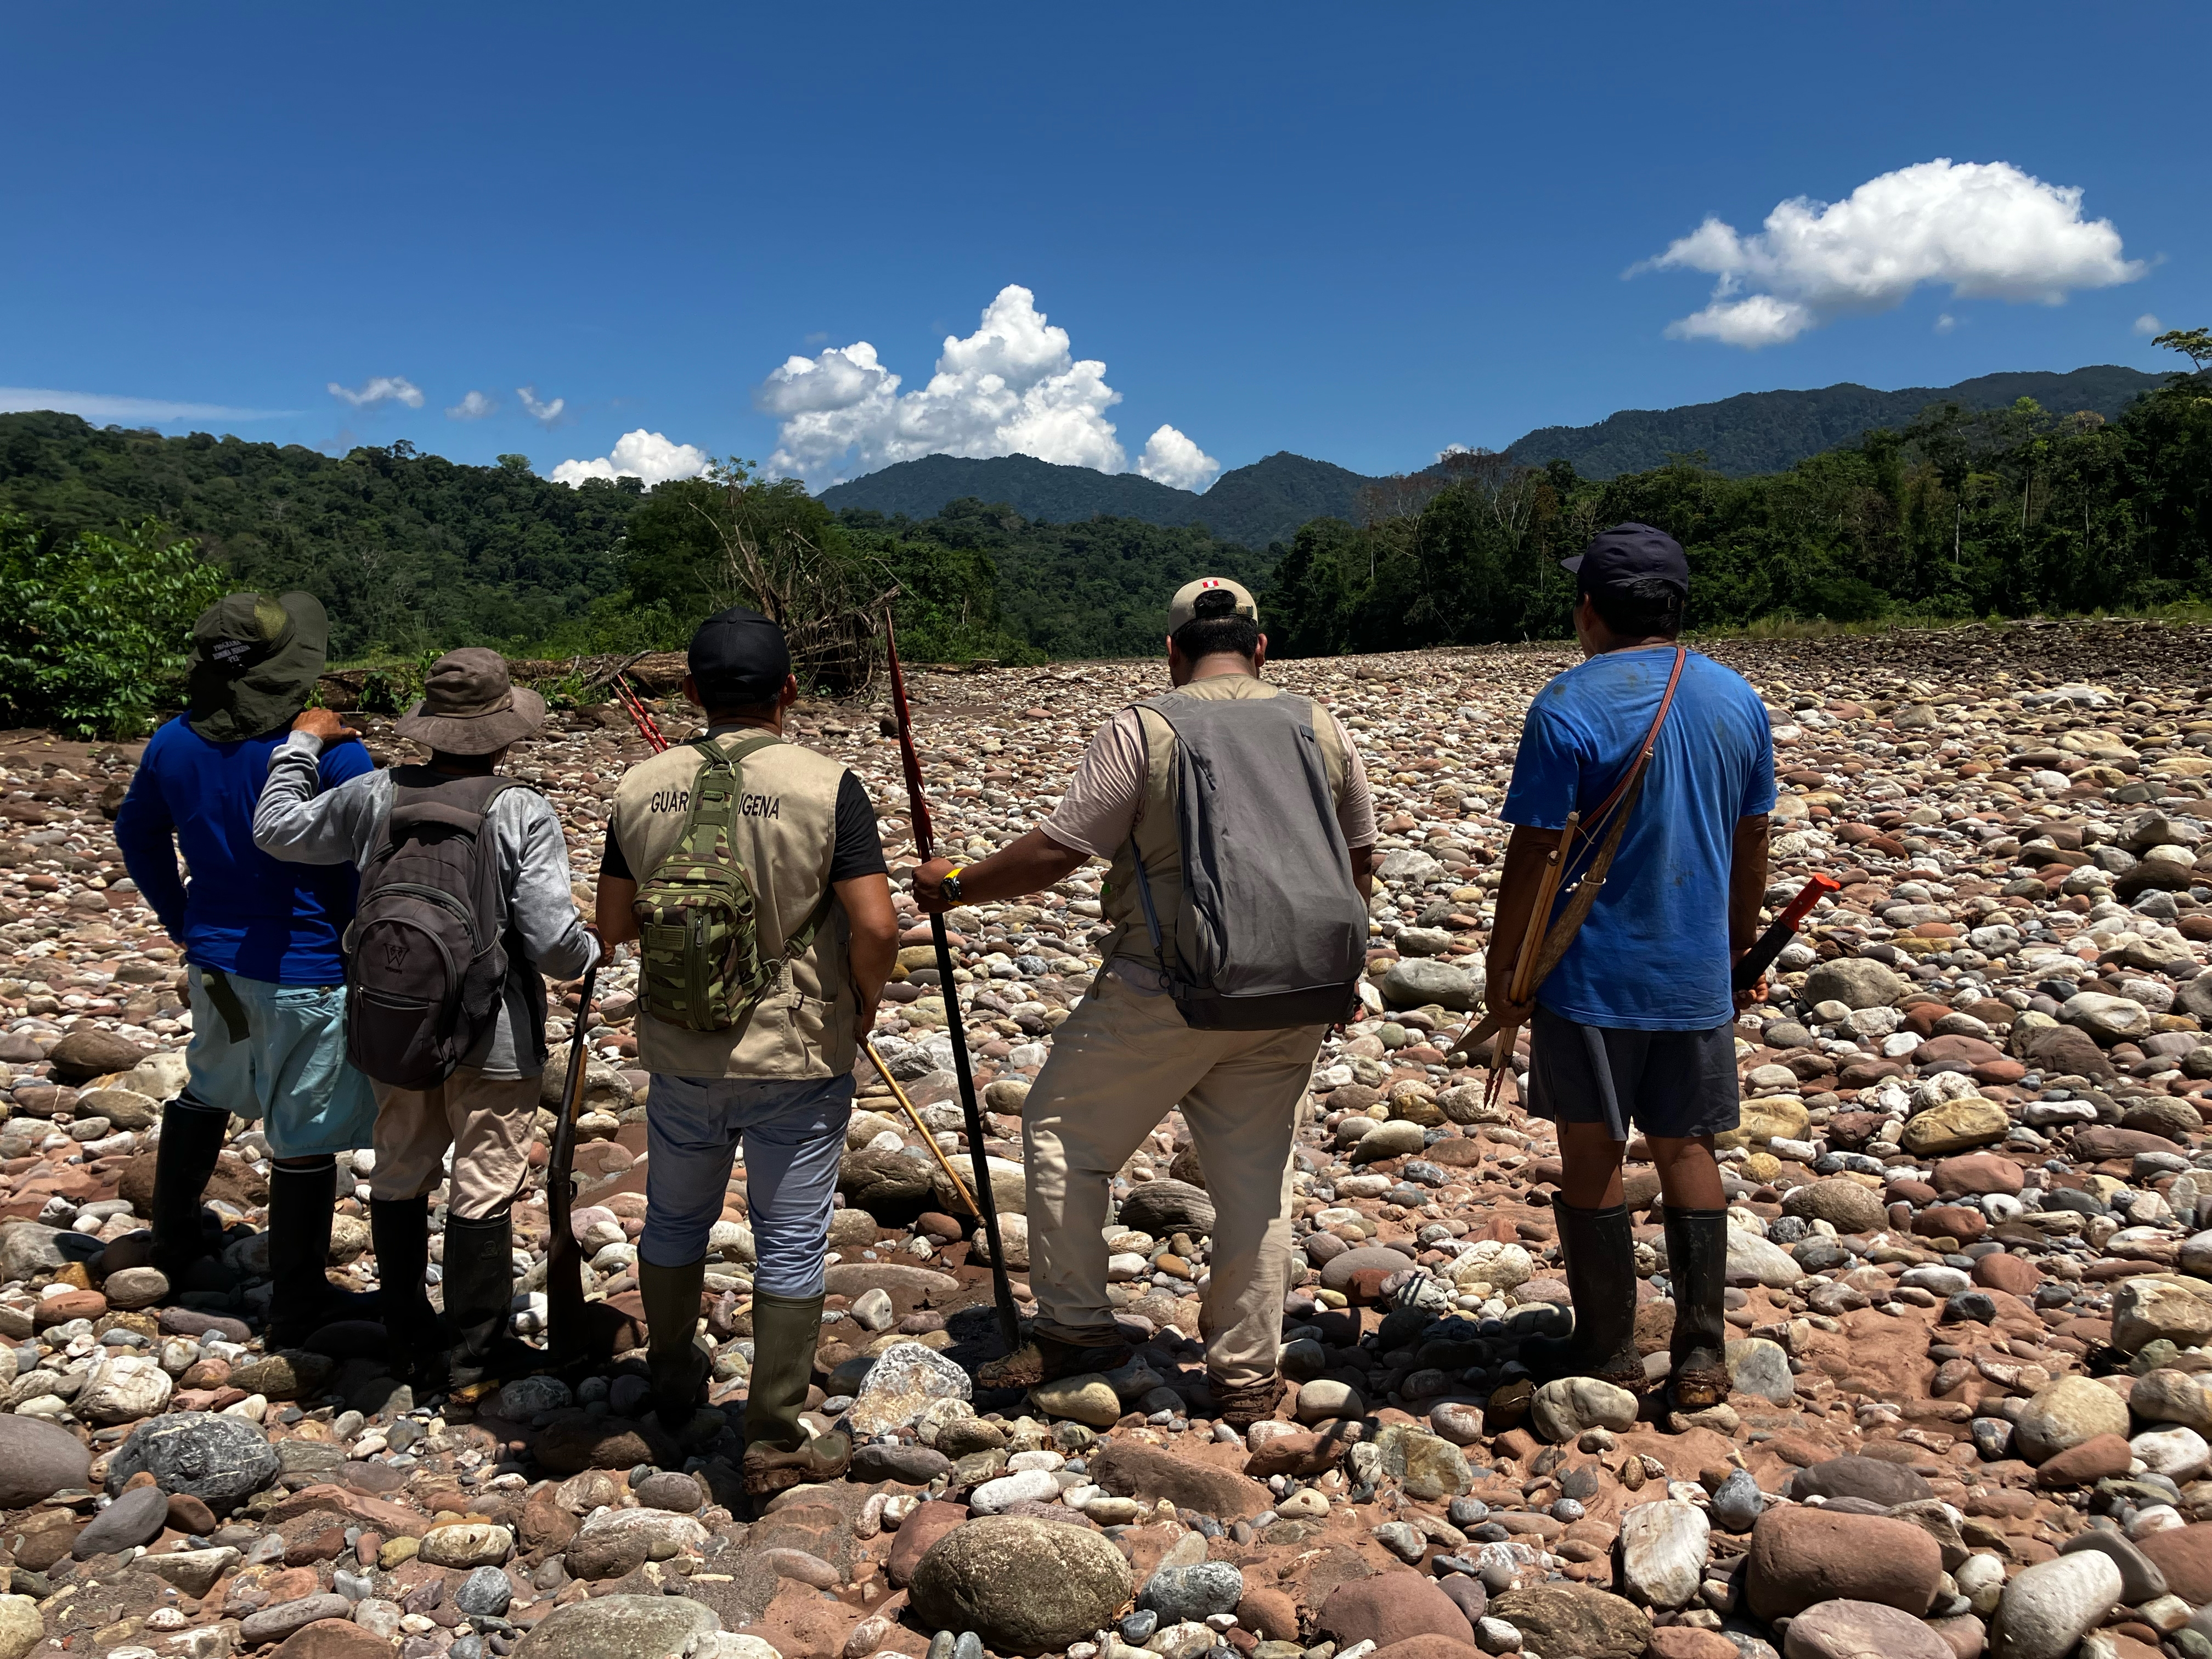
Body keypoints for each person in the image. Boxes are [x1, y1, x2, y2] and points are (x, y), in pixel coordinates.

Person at [914, 577, 1378, 1429]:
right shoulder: (1321, 726)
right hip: (1299, 991)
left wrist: (957, 885)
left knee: (1060, 1131)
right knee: (1257, 1179)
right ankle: (1244, 1375)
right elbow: (1360, 863)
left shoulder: (1144, 727)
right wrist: (1344, 976)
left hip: (1168, 990)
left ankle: (1079, 1330)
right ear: (1262, 647)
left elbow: (1060, 851)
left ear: (1171, 653)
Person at [595, 607, 898, 1495]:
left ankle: (674, 1383)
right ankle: (771, 1437)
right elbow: (876, 924)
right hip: (798, 1054)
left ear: (689, 693)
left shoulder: (640, 786)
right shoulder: (828, 783)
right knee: (792, 1241)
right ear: (789, 694)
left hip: (683, 1052)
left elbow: (613, 927)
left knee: (677, 1221)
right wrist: (863, 1004)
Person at [252, 648, 601, 1388]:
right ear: (506, 733)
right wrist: (591, 951)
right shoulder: (520, 809)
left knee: (401, 1169)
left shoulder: (374, 794)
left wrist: (301, 746)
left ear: (428, 729)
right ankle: (475, 1358)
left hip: (394, 1017)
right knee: (484, 1182)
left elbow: (276, 831)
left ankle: (408, 1336)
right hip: (496, 1030)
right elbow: (550, 942)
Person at [1486, 523, 1774, 1407]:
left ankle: (1606, 1350)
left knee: (1592, 1150)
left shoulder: (1567, 705)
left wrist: (1506, 978)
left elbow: (1536, 854)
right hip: (1695, 973)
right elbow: (1751, 836)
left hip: (1590, 975)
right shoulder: (1737, 700)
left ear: (1589, 611)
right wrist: (1735, 949)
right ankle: (1699, 1354)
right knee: (1688, 1145)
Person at [114, 591, 381, 1345]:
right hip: (308, 972)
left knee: (210, 1083)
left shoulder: (172, 743)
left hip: (219, 967)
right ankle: (299, 1301)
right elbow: (368, 866)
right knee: (305, 1127)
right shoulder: (337, 754)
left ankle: (173, 1238)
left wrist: (181, 919)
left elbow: (138, 835)